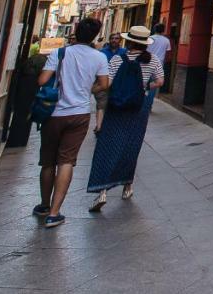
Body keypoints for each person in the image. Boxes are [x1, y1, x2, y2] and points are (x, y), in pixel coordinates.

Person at [35, 15, 111, 229]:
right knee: (66, 161)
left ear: (76, 32)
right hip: (79, 114)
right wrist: (88, 90)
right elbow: (104, 84)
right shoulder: (99, 57)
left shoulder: (60, 53)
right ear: (95, 36)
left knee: (48, 162)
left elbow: (42, 81)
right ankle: (54, 212)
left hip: (53, 113)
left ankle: (43, 204)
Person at [87, 26, 163, 211]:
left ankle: (102, 190)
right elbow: (160, 81)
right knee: (132, 145)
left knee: (108, 145)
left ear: (129, 41)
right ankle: (128, 186)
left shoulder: (117, 59)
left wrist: (90, 90)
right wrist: (144, 88)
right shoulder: (152, 60)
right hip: (139, 107)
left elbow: (108, 83)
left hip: (117, 106)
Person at [93, 33, 126, 133]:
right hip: (103, 81)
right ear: (109, 40)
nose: (114, 40)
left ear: (120, 40)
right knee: (101, 104)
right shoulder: (102, 52)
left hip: (118, 83)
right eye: (112, 38)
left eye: (117, 38)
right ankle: (99, 127)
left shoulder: (124, 52)